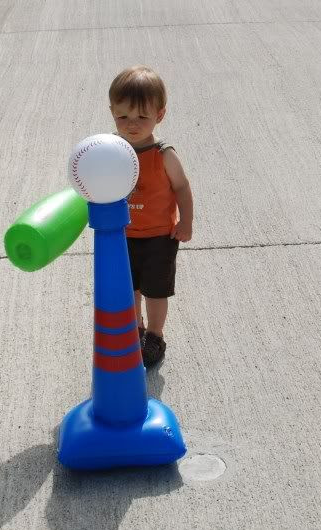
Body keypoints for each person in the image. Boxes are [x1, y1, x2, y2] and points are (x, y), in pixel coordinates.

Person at [108, 65, 194, 369]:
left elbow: (181, 187)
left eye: (142, 117)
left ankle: (155, 335)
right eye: (123, 117)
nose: (132, 124)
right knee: (129, 290)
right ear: (112, 112)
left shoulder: (163, 154)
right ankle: (136, 329)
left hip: (159, 236)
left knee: (156, 292)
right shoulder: (110, 150)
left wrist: (186, 221)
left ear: (160, 115)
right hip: (122, 234)